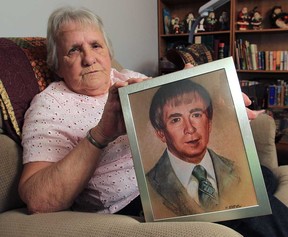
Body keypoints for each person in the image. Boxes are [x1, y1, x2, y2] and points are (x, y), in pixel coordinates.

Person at [18, 7, 284, 236]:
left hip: (181, 171)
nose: (89, 58)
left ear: (108, 51)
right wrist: (101, 134)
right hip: (135, 200)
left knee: (261, 176)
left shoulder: (126, 77)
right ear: (56, 65)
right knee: (249, 204)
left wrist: (221, 98)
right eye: (74, 51)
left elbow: (180, 108)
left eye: (96, 45)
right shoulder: (49, 105)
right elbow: (38, 200)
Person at [146, 80, 240, 215]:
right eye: (176, 120)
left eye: (196, 115)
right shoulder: (150, 185)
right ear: (161, 134)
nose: (189, 129)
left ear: (209, 123)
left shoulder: (237, 170)